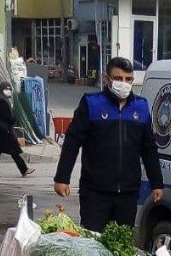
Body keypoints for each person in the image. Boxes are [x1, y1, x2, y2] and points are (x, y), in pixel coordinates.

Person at [54, 57, 163, 232]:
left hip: (128, 193)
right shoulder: (91, 104)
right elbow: (72, 141)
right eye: (118, 79)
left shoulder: (141, 107)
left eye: (128, 79)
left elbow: (148, 147)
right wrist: (62, 178)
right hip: (95, 193)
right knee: (94, 246)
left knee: (120, 246)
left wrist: (157, 183)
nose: (124, 83)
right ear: (107, 79)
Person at [0, 82, 34, 178]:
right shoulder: (2, 101)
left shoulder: (2, 99)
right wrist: (13, 120)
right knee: (14, 151)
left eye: (9, 89)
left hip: (0, 130)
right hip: (5, 130)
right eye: (6, 89)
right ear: (2, 90)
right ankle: (24, 169)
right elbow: (7, 116)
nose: (8, 91)